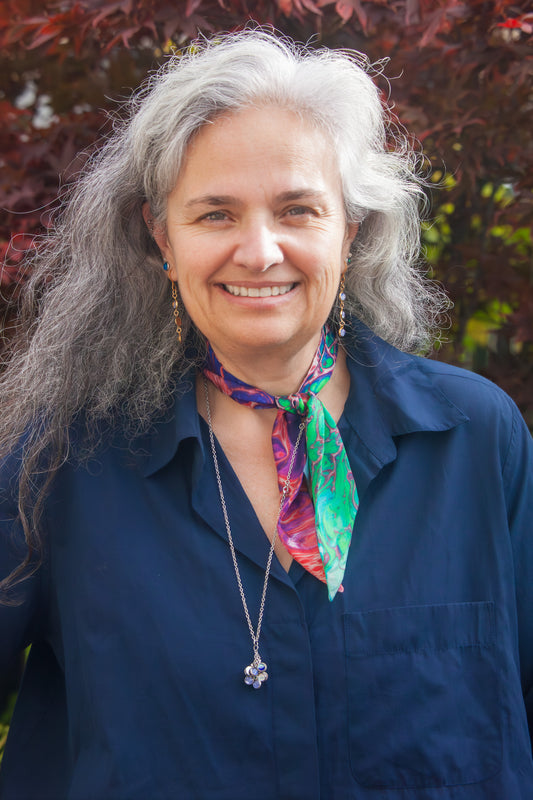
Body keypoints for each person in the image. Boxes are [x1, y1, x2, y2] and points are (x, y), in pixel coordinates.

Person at [0, 28, 532, 800]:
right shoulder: (60, 461)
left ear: (349, 231)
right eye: (215, 214)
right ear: (162, 239)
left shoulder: (476, 441)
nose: (259, 251)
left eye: (297, 209)